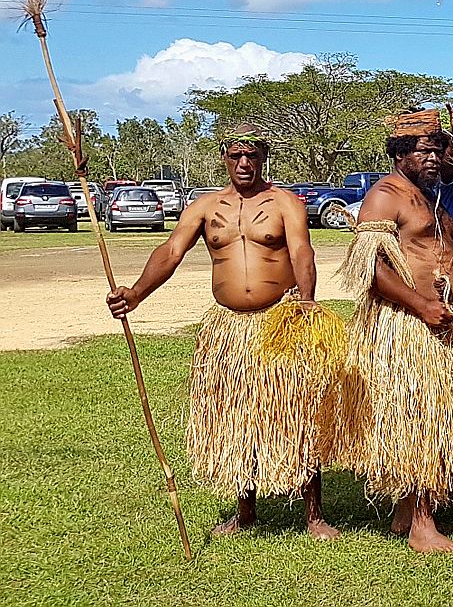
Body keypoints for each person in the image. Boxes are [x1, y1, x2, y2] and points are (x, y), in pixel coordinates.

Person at [106, 124, 342, 539]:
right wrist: (137, 293)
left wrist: (307, 302)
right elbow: (171, 251)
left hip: (279, 322)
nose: (244, 164)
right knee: (238, 416)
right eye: (236, 156)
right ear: (225, 158)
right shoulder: (203, 206)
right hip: (229, 330)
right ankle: (246, 511)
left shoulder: (285, 203)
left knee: (297, 412)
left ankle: (314, 515)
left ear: (264, 157)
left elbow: (302, 250)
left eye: (251, 156)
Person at [335, 110, 453, 553]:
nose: (434, 157)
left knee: (437, 418)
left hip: (444, 320)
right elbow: (369, 266)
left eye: (437, 149)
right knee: (423, 422)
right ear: (400, 153)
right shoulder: (385, 196)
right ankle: (422, 526)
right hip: (409, 324)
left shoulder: (431, 192)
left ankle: (406, 512)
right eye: (425, 150)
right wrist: (422, 304)